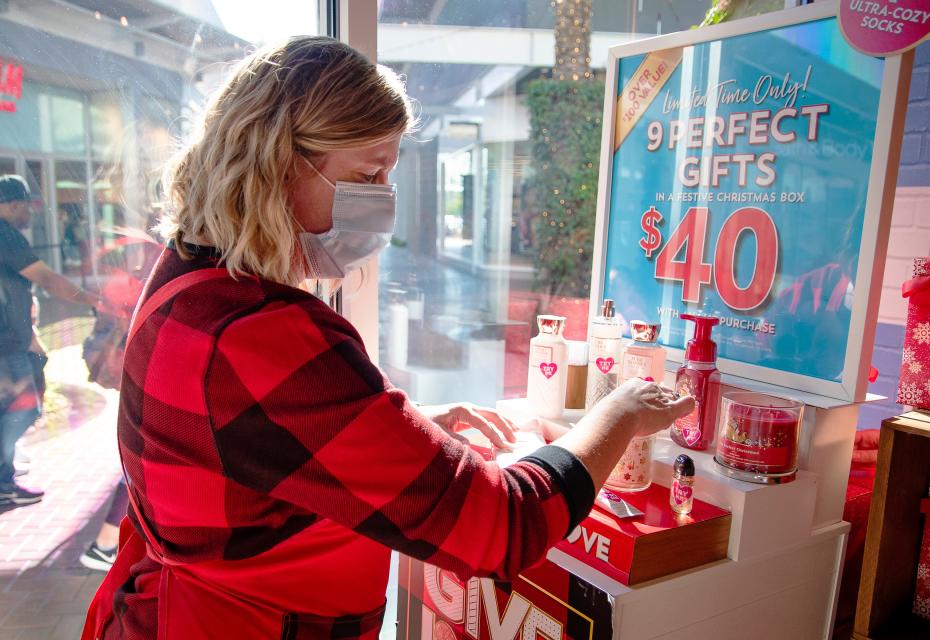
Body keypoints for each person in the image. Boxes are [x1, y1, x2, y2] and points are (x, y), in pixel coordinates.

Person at [83, 37, 694, 640]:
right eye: (367, 173)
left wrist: (403, 427)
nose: (381, 201)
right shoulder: (265, 334)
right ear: (277, 162)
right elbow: (505, 527)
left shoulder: (188, 277)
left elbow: (245, 439)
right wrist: (619, 413)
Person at [0, 175, 100, 507]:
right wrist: (92, 299)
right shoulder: (5, 234)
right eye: (27, 205)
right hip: (4, 344)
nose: (30, 213)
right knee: (24, 408)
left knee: (17, 406)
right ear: (12, 205)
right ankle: (2, 481)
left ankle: (5, 473)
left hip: (12, 338)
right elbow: (45, 277)